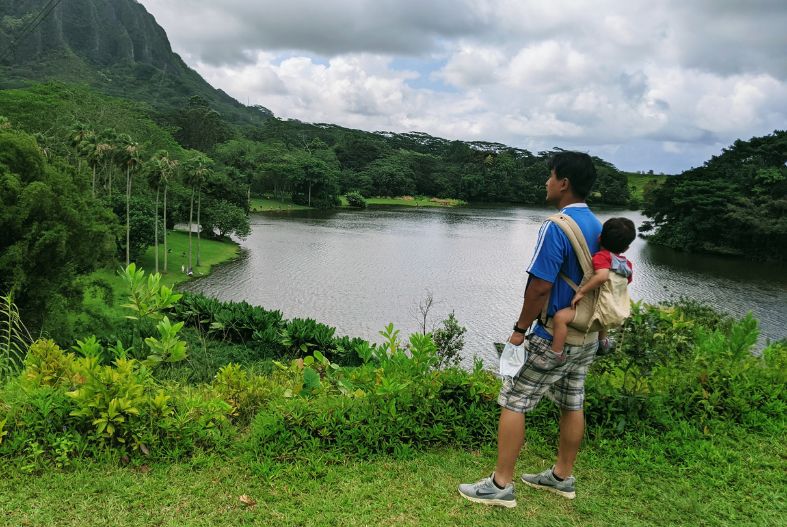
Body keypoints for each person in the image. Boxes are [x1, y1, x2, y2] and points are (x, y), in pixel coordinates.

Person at [459, 151, 602, 507]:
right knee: (573, 401)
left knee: (514, 399)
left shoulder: (556, 226)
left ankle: (500, 485)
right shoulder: (598, 226)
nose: (546, 182)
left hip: (554, 334)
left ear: (564, 183)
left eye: (551, 176)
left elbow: (540, 286)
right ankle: (561, 477)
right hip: (586, 334)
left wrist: (520, 329)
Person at [549, 217, 636, 355]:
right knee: (606, 306)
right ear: (626, 248)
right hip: (611, 313)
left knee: (560, 317)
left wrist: (581, 292)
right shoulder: (627, 265)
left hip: (595, 313)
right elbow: (625, 283)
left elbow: (602, 277)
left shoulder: (602, 257)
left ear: (599, 238)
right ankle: (603, 341)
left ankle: (556, 353)